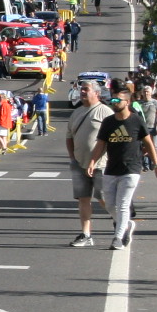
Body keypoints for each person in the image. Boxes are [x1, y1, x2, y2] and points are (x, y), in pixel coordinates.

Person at [87, 82, 157, 248]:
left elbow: (148, 143)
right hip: (111, 168)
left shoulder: (136, 120)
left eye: (118, 100)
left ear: (127, 102)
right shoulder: (108, 122)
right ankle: (127, 225)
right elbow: (101, 144)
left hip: (131, 169)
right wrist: (92, 162)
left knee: (123, 205)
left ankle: (118, 238)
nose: (114, 103)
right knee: (109, 204)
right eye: (113, 100)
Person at [65, 78, 111, 247]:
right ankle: (86, 234)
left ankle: (121, 223)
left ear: (97, 93)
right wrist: (72, 158)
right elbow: (69, 136)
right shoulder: (76, 112)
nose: (82, 92)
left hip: (101, 164)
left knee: (104, 198)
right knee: (83, 199)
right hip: (79, 163)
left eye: (86, 89)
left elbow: (112, 139)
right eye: (81, 89)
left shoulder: (105, 112)